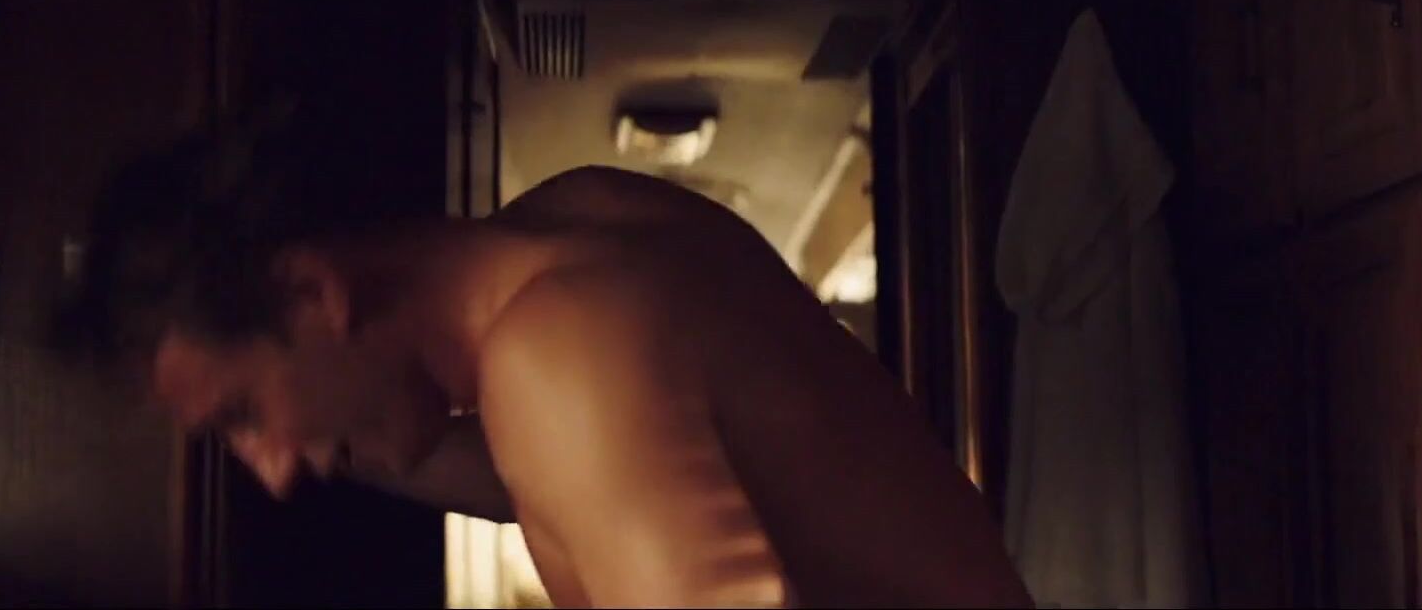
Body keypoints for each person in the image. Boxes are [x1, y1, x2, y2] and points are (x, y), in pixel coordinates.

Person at [61, 105, 1031, 609]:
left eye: (243, 415)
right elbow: (558, 471)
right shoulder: (583, 221)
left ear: (314, 291)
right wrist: (342, 441)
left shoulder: (555, 354)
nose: (272, 469)